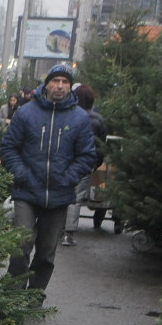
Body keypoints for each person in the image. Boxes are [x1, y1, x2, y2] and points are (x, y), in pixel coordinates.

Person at [0, 63, 96, 296]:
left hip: (59, 194)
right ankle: (14, 295)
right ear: (47, 84)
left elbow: (87, 155)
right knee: (21, 244)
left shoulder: (80, 118)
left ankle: (34, 296)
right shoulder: (26, 113)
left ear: (70, 87)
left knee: (46, 251)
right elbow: (9, 147)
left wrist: (69, 177)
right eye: (55, 81)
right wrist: (22, 174)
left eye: (65, 82)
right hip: (26, 191)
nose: (60, 86)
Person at [62, 84, 107, 245]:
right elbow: (101, 145)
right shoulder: (98, 119)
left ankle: (57, 229)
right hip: (86, 163)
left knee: (62, 193)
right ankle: (69, 234)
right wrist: (97, 163)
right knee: (77, 197)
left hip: (66, 161)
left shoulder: (68, 115)